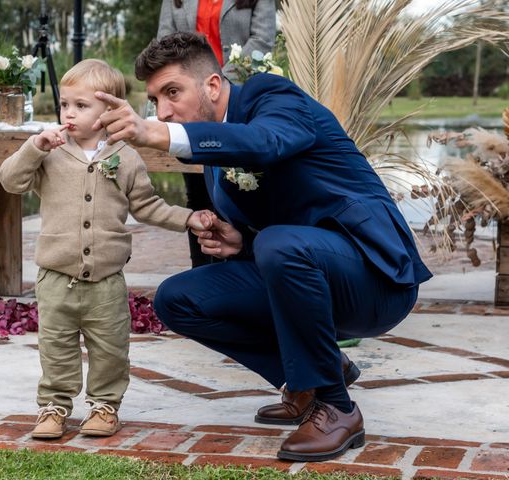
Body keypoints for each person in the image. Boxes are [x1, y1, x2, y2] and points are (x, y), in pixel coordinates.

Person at [92, 32, 432, 462]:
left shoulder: (275, 98)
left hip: (376, 279)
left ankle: (338, 409)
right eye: (155, 100)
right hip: (308, 269)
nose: (163, 111)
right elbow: (281, 223)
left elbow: (267, 144)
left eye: (172, 93)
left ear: (213, 85)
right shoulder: (212, 159)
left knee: (279, 243)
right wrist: (243, 240)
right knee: (177, 300)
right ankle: (310, 383)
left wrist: (155, 133)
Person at [0, 58, 205, 440]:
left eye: (81, 106)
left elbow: (148, 206)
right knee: (56, 348)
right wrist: (34, 146)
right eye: (65, 104)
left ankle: (105, 407)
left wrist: (188, 218)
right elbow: (10, 181)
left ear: (109, 110)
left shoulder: (125, 156)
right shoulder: (50, 153)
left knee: (110, 349)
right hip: (56, 278)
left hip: (107, 281)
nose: (70, 113)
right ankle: (54, 408)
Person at [157, 0, 276, 268]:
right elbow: (164, 41)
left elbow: (262, 40)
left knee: (236, 192)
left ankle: (244, 263)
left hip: (234, 104)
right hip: (190, 105)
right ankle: (201, 269)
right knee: (198, 195)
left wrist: (216, 83)